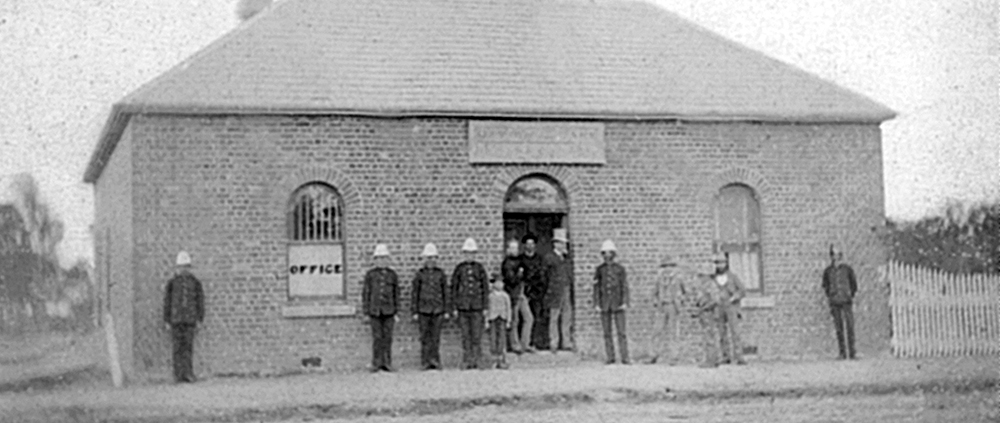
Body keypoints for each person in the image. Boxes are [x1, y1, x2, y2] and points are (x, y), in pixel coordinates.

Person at [163, 251, 205, 383]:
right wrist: (167, 320)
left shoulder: (195, 283)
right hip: (176, 320)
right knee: (177, 348)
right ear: (177, 268)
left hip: (190, 320)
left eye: (186, 266)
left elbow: (200, 301)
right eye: (182, 267)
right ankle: (178, 375)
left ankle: (188, 373)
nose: (184, 269)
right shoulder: (172, 283)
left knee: (188, 348)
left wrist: (199, 318)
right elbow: (167, 302)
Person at [451, 237, 490, 369]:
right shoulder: (459, 269)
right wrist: (455, 307)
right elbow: (454, 288)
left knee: (476, 335)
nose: (470, 256)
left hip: (477, 307)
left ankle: (477, 360)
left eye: (472, 253)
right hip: (463, 307)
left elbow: (485, 288)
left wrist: (485, 306)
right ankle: (467, 360)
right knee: (466, 335)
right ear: (464, 254)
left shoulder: (480, 268)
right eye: (467, 253)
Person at [411, 243, 450, 370]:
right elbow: (415, 293)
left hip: (437, 309)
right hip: (423, 310)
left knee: (435, 337)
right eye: (428, 258)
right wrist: (415, 311)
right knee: (425, 337)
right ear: (424, 259)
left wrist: (446, 310)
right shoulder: (420, 274)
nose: (431, 261)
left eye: (433, 258)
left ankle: (435, 360)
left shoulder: (440, 274)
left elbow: (445, 292)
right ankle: (425, 361)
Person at [362, 244, 400, 372]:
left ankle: (387, 362)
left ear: (388, 260)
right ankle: (376, 363)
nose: (382, 261)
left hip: (389, 311)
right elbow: (366, 293)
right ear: (375, 260)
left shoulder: (392, 275)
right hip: (375, 311)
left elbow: (396, 294)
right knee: (377, 338)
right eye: (379, 258)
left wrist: (396, 311)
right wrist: (366, 312)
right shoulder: (371, 275)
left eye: (384, 258)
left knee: (388, 338)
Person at [593, 239, 630, 364]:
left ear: (613, 254)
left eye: (610, 253)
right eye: (605, 253)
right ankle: (610, 357)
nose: (607, 256)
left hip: (618, 303)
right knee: (607, 332)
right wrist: (597, 303)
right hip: (605, 304)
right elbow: (597, 287)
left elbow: (624, 286)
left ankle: (625, 357)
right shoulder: (600, 270)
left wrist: (625, 301)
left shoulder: (620, 269)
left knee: (621, 332)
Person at [651, 253, 690, 365]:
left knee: (673, 332)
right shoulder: (659, 279)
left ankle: (674, 356)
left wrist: (680, 299)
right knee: (657, 331)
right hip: (662, 307)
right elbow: (654, 293)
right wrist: (656, 301)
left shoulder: (678, 279)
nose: (667, 269)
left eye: (670, 266)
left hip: (673, 306)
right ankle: (654, 354)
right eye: (665, 266)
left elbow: (686, 293)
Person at [822, 245, 858, 360]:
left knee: (850, 326)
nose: (836, 257)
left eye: (838, 254)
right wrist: (831, 295)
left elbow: (854, 284)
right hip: (835, 301)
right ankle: (842, 352)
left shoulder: (847, 269)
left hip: (846, 300)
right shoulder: (828, 271)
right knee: (839, 328)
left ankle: (852, 352)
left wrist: (849, 294)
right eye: (833, 254)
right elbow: (825, 285)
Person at [711, 253, 746, 365]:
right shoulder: (713, 279)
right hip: (719, 307)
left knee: (735, 331)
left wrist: (734, 297)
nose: (720, 266)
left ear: (726, 264)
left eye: (722, 263)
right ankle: (725, 356)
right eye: (717, 263)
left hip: (731, 306)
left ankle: (739, 356)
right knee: (722, 332)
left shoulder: (732, 277)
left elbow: (742, 290)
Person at [544, 228, 574, 353]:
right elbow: (545, 275)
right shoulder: (549, 258)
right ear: (555, 244)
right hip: (554, 290)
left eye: (564, 244)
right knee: (554, 317)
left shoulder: (566, 259)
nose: (563, 246)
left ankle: (566, 341)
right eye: (561, 243)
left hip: (566, 289)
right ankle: (554, 342)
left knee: (567, 316)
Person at [688, 262, 723, 368]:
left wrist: (704, 308)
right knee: (708, 336)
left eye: (702, 275)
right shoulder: (705, 286)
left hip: (709, 314)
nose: (700, 278)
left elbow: (716, 300)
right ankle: (713, 358)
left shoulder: (711, 285)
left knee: (709, 337)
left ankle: (711, 360)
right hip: (705, 314)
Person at [502, 239, 534, 354]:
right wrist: (520, 274)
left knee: (528, 318)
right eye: (513, 248)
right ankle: (515, 345)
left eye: (516, 248)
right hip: (513, 294)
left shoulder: (519, 261)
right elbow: (511, 280)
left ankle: (525, 343)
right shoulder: (507, 263)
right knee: (514, 320)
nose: (515, 250)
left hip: (521, 293)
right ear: (508, 249)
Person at [518, 234, 545, 351]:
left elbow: (542, 275)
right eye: (528, 244)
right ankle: (524, 342)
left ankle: (534, 342)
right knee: (524, 318)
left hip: (537, 292)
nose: (530, 246)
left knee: (537, 317)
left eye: (532, 244)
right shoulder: (520, 260)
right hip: (525, 292)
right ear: (524, 246)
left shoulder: (539, 259)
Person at [486, 273, 512, 369]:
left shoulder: (505, 296)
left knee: (501, 338)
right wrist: (486, 320)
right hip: (493, 318)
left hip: (502, 318)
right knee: (493, 338)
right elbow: (488, 308)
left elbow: (508, 308)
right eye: (497, 283)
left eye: (501, 283)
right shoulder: (491, 296)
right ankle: (493, 359)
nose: (499, 285)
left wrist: (509, 320)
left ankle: (502, 358)